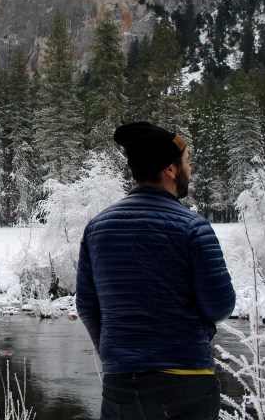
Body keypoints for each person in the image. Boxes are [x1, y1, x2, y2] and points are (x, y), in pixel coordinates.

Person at [76, 121, 235, 420]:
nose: (191, 170)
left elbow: (86, 304)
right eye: (187, 162)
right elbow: (220, 306)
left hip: (120, 387)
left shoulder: (97, 227)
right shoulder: (192, 227)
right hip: (186, 383)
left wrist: (116, 353)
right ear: (170, 170)